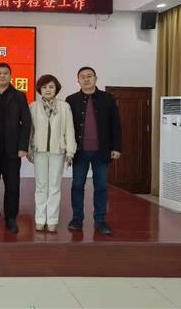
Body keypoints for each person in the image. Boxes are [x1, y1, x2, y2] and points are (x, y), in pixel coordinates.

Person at [66, 66, 122, 235]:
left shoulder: (108, 98)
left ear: (96, 79)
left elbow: (116, 125)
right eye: (82, 77)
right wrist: (67, 150)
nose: (86, 79)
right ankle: (77, 218)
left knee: (101, 186)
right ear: (78, 80)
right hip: (79, 151)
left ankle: (100, 220)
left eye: (89, 76)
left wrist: (116, 147)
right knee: (77, 185)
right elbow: (66, 127)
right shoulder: (71, 100)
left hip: (102, 151)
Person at [0, 62, 31, 233]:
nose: (2, 76)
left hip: (12, 150)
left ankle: (11, 218)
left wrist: (23, 146)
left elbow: (26, 123)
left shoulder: (19, 96)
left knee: (12, 186)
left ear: (10, 76)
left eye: (5, 73)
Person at [27, 74, 76, 232]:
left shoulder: (64, 107)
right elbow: (29, 130)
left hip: (58, 151)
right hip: (39, 151)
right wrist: (29, 149)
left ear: (56, 89)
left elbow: (70, 130)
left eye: (51, 87)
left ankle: (52, 220)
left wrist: (70, 151)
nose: (47, 90)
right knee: (41, 186)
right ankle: (40, 219)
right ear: (39, 89)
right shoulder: (33, 107)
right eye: (44, 87)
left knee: (54, 186)